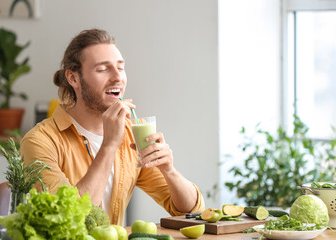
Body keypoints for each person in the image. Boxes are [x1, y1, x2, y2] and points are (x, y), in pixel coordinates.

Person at [20, 29, 205, 225]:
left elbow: (192, 212)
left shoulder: (132, 132)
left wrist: (169, 170)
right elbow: (66, 220)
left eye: (121, 67)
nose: (118, 78)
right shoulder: (39, 142)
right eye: (103, 69)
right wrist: (109, 146)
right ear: (73, 78)